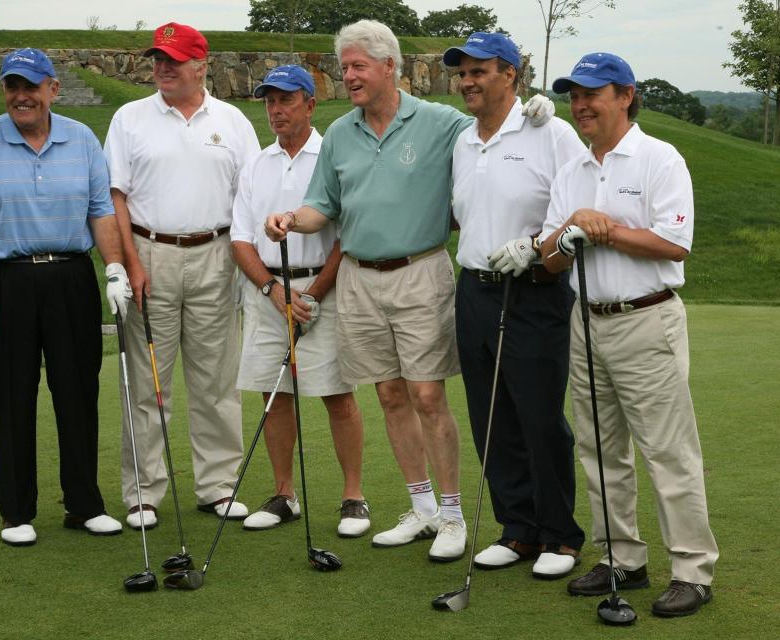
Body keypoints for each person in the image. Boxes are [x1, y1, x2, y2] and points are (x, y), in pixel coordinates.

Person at [265, 20, 554, 562]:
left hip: (419, 271)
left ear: (389, 67)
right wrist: (290, 219)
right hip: (357, 277)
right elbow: (322, 207)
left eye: (357, 66)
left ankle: (451, 514)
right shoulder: (341, 134)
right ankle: (420, 508)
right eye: (344, 66)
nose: (346, 75)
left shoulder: (439, 122)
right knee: (389, 394)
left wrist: (538, 110)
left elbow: (492, 122)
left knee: (426, 394)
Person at [541, 52, 719, 617]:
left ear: (626, 96)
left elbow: (675, 244)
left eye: (593, 93)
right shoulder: (571, 169)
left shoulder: (659, 158)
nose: (581, 104)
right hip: (585, 321)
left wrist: (606, 229)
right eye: (574, 95)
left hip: (647, 319)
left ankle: (692, 570)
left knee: (667, 451)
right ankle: (622, 558)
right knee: (599, 450)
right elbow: (548, 259)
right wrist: (571, 229)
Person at [0, 48, 130, 546]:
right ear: (4, 90)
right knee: (10, 397)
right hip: (6, 282)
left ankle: (84, 504)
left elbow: (100, 211)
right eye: (11, 87)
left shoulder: (81, 137)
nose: (21, 96)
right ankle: (17, 512)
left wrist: (114, 268)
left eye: (31, 86)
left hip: (70, 278)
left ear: (53, 89)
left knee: (77, 393)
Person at [103, 23, 260, 530]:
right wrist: (130, 262)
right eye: (157, 59)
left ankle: (217, 486)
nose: (162, 67)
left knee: (216, 380)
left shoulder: (233, 121)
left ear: (201, 64)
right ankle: (143, 493)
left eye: (173, 59)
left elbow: (249, 198)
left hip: (216, 254)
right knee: (149, 384)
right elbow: (116, 197)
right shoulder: (130, 118)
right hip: (151, 253)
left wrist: (243, 263)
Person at [444, 32, 586, 580]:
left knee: (538, 414)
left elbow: (579, 209)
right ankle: (517, 528)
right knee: (490, 414)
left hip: (534, 291)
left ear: (510, 73)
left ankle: (560, 535)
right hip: (475, 288)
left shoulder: (550, 130)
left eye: (479, 71)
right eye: (462, 73)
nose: (468, 81)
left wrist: (532, 247)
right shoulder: (462, 140)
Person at [231, 66, 369, 537]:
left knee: (336, 394)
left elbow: (345, 237)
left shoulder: (334, 155)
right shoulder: (257, 163)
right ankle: (284, 494)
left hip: (322, 292)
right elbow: (241, 240)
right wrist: (273, 291)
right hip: (269, 295)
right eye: (270, 101)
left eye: (286, 100)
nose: (276, 110)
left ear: (310, 104)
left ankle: (354, 498)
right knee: (276, 397)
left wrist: (310, 295)